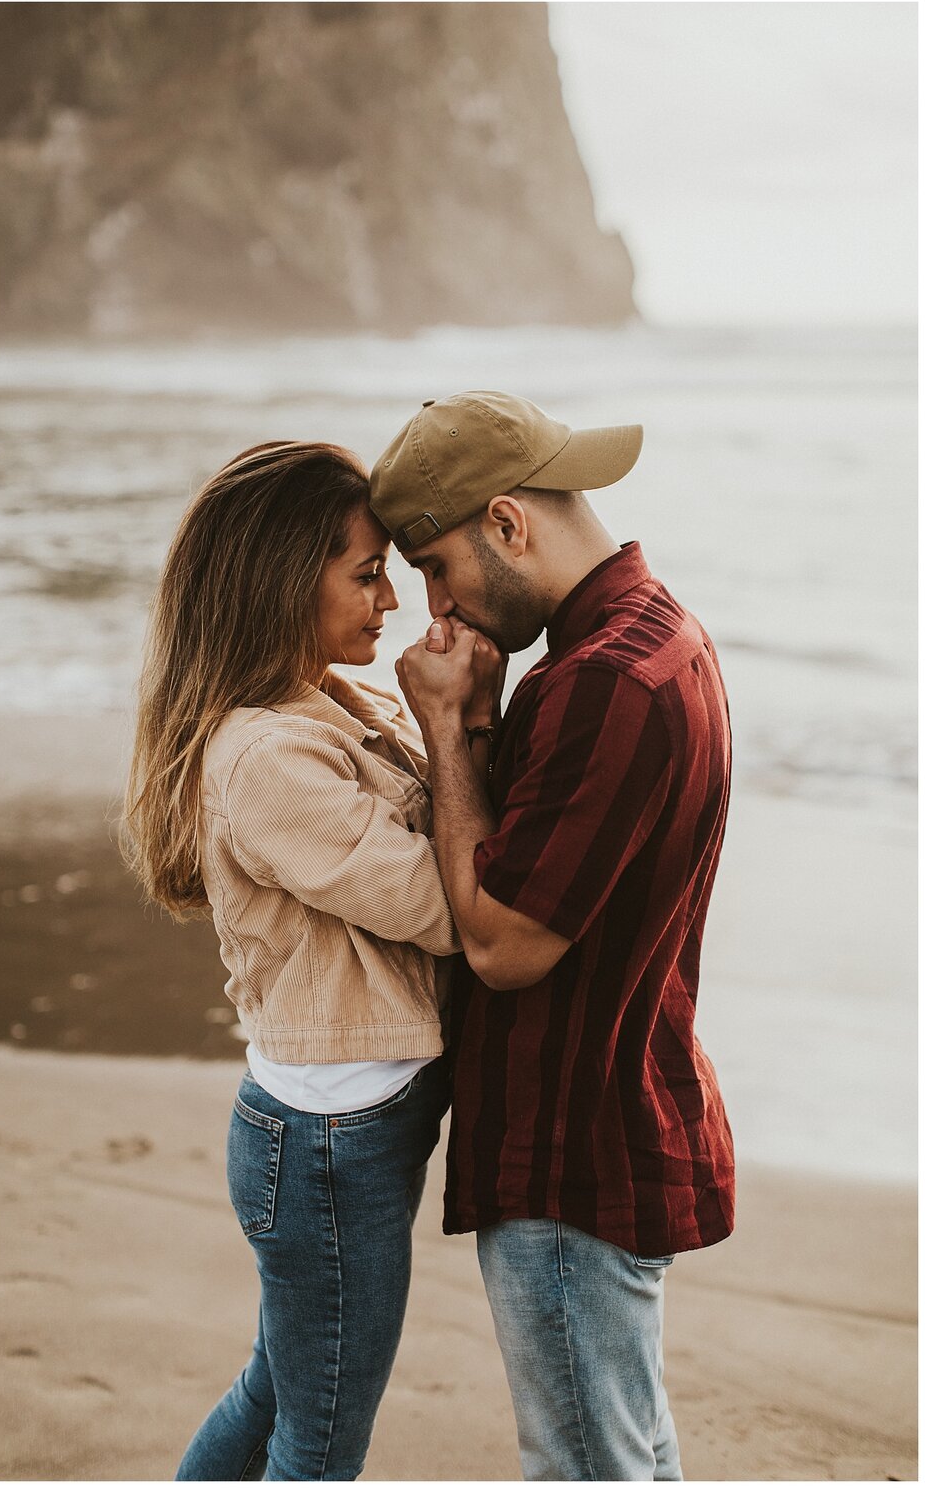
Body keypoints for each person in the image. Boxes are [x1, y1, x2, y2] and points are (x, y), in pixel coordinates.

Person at [369, 391, 736, 1482]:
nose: (432, 604)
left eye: (435, 565)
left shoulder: (601, 683)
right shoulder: (650, 638)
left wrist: (442, 725)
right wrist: (479, 724)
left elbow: (502, 944)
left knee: (586, 1468)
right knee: (627, 1456)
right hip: (611, 1119)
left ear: (507, 522)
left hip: (573, 1154)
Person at [123, 439, 501, 1481]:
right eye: (367, 571)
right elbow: (444, 906)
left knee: (280, 1390)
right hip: (330, 1146)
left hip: (338, 1131)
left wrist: (458, 712)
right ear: (286, 578)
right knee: (319, 1436)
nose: (391, 598)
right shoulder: (268, 758)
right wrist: (448, 717)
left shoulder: (334, 701)